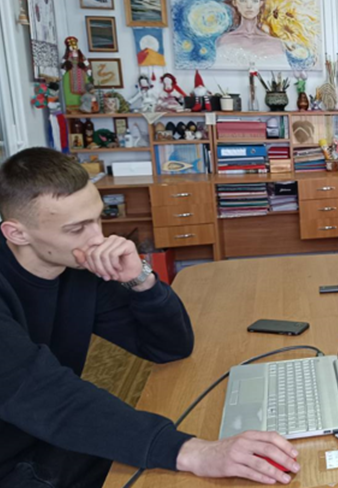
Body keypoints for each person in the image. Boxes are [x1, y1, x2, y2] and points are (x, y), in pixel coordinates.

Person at [0, 149, 299, 487]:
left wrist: (140, 279)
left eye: (98, 218)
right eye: (76, 229)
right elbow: (42, 393)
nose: (97, 238)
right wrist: (192, 452)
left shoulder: (80, 265)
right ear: (17, 233)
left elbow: (170, 347)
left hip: (53, 439)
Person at [215, 0, 288, 67]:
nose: (249, 5)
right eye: (243, 0)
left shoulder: (275, 43)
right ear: (235, 3)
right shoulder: (224, 41)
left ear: (261, 3)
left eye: (254, 0)